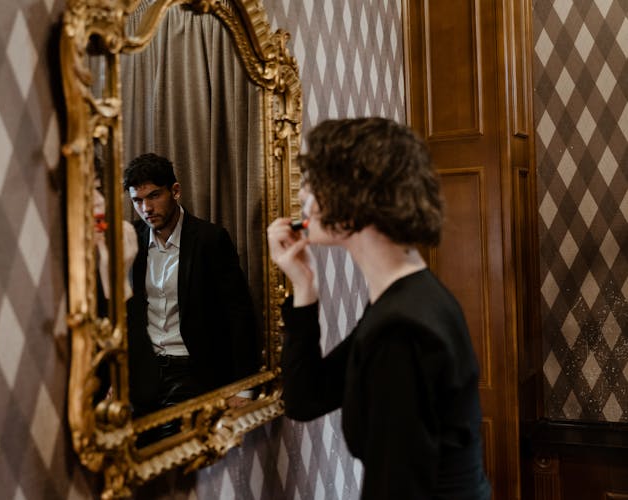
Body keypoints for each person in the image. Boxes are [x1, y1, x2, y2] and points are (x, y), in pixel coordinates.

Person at [267, 117, 491, 499]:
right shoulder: (402, 300)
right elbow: (306, 398)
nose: (303, 194)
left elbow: (397, 488)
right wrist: (304, 286)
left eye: (315, 183)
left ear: (356, 203)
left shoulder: (403, 328)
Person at [124, 153, 259, 420]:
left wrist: (245, 387)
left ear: (175, 191)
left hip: (192, 370)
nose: (146, 208)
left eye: (153, 196)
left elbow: (239, 314)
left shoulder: (210, 239)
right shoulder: (131, 239)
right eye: (137, 200)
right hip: (143, 371)